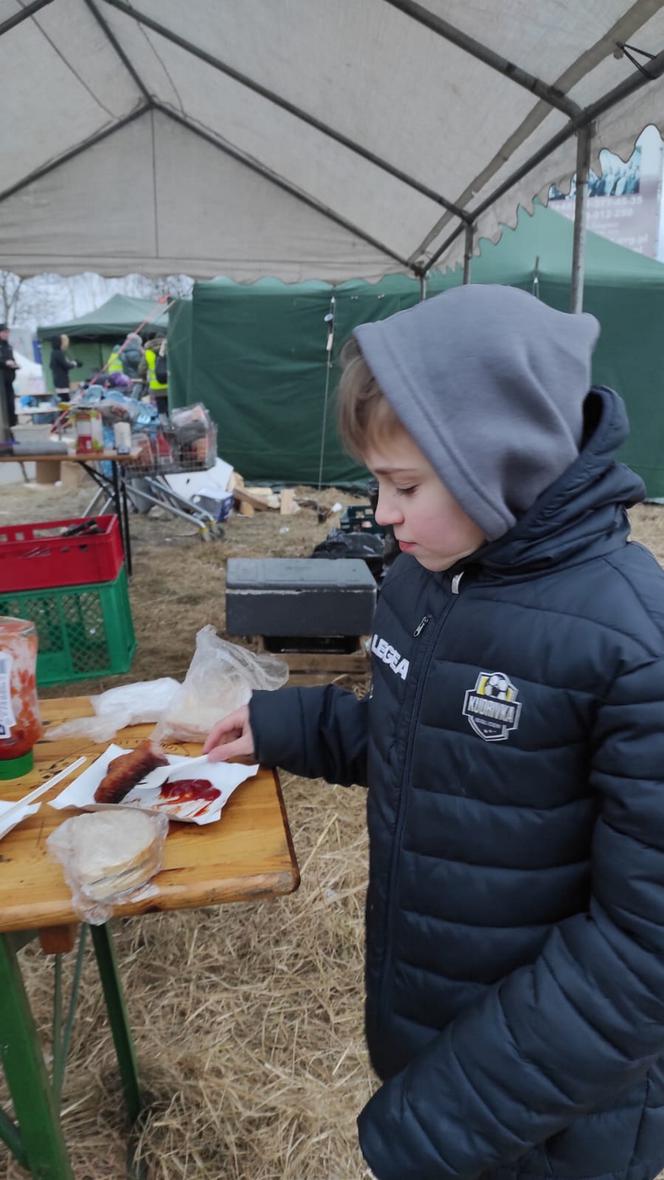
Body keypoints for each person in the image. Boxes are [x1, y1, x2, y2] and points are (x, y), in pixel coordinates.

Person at [204, 284, 664, 1180]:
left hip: (559, 1114)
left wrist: (447, 1120)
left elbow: (643, 952)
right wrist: (283, 721)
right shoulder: (428, 579)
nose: (381, 513)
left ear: (501, 462)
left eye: (403, 484)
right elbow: (430, 742)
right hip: (440, 1032)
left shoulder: (630, 643)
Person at [141, 335, 168, 414]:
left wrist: (145, 380)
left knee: (161, 409)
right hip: (171, 385)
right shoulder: (170, 348)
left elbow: (142, 370)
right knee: (172, 408)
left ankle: (165, 425)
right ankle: (174, 424)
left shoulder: (148, 352)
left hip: (156, 386)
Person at [0, 323, 19, 436]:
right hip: (1, 383)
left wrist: (14, 364)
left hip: (9, 381)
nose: (6, 334)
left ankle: (12, 431)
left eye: (7, 332)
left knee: (11, 407)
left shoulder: (8, 346)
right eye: (4, 332)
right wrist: (5, 363)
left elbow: (11, 359)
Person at [49, 334, 80, 400]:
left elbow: (51, 366)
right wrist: (74, 364)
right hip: (62, 382)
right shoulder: (58, 353)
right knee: (65, 401)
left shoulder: (53, 353)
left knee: (62, 401)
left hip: (57, 381)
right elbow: (66, 365)